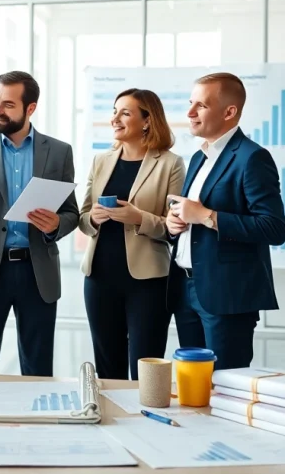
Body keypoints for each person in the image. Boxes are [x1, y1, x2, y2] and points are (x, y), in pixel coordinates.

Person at [0, 71, 79, 377]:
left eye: (8, 104)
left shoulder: (59, 152)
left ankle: (37, 424)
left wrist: (56, 224)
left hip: (37, 273)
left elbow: (72, 212)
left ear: (30, 108)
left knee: (37, 368)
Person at [166, 72, 285, 370]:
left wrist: (208, 217)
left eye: (201, 106)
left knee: (225, 386)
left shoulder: (252, 158)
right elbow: (190, 216)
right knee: (194, 384)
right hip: (186, 289)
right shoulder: (198, 158)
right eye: (190, 103)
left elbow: (274, 228)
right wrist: (174, 225)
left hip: (227, 296)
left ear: (229, 112)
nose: (190, 113)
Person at [78, 88, 186, 380]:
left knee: (146, 368)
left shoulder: (170, 163)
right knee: (107, 367)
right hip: (99, 277)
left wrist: (138, 217)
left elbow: (174, 227)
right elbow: (83, 217)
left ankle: (145, 423)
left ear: (147, 121)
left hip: (148, 282)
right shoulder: (101, 161)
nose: (115, 118)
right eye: (114, 111)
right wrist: (94, 218)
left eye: (125, 113)